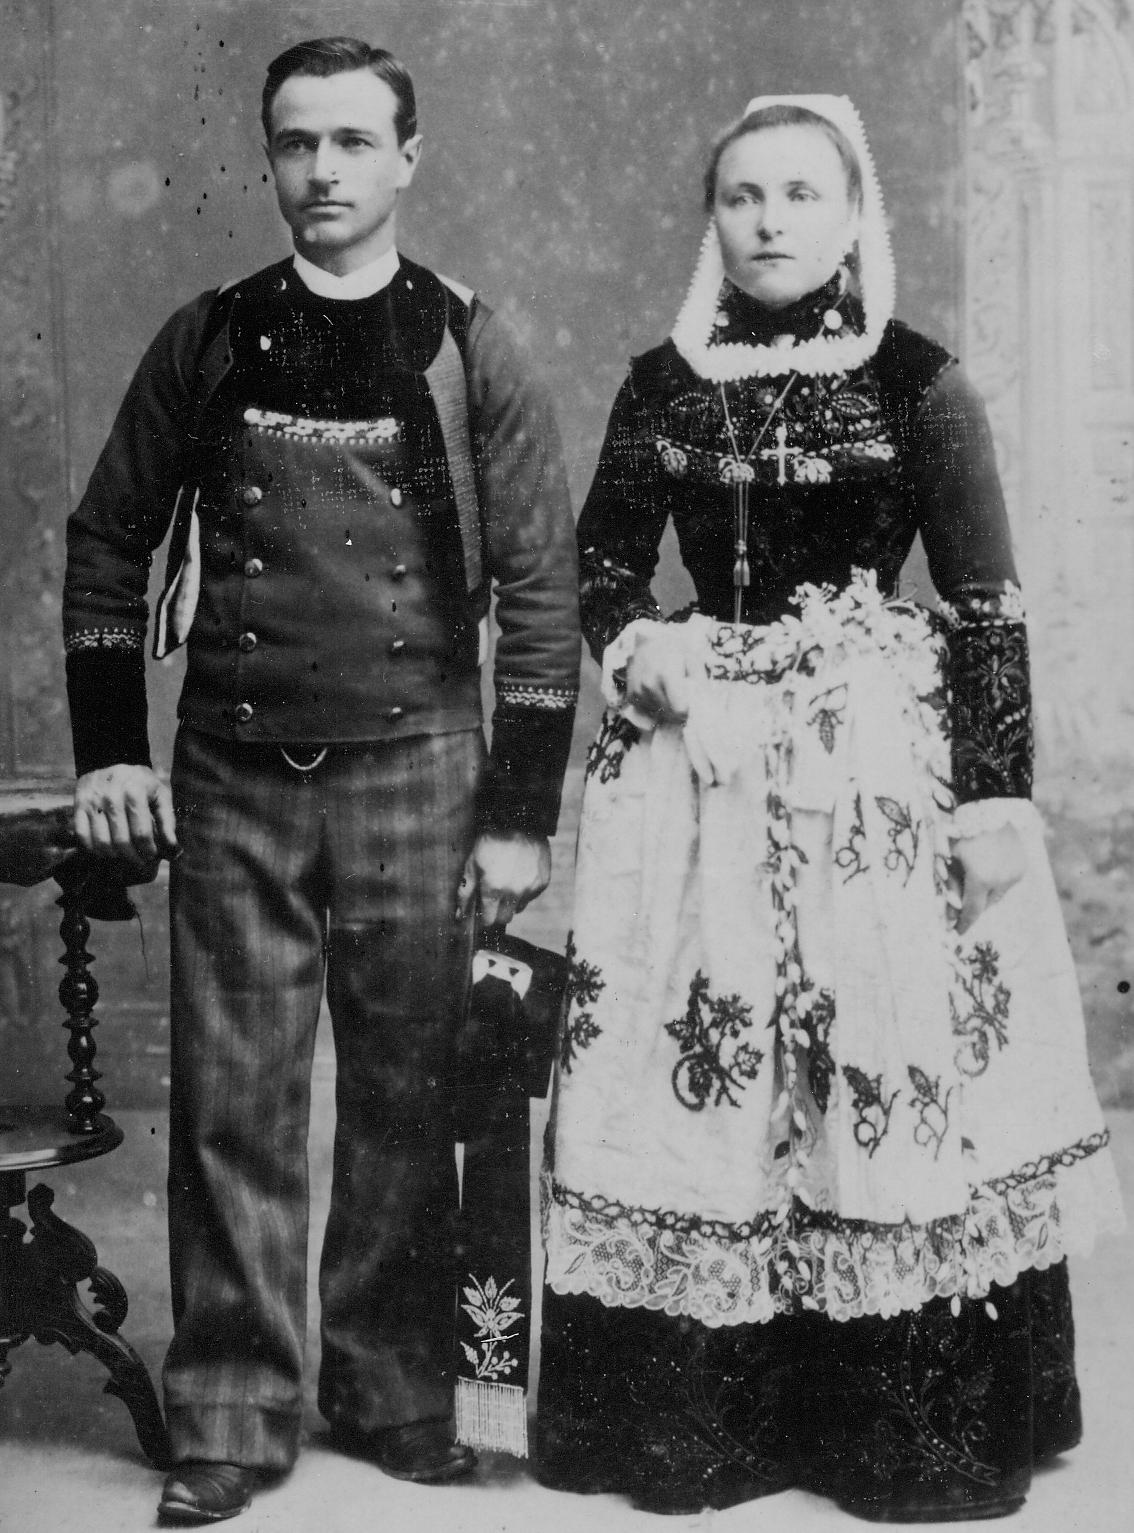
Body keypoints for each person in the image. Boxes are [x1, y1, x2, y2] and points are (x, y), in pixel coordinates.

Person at [536, 94, 1123, 1522]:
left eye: (801, 194)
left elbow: (985, 601)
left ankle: (889, 1429)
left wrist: (995, 798)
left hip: (871, 767)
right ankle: (714, 1420)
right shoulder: (662, 385)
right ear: (712, 218)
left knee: (877, 1050)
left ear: (854, 214)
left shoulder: (918, 381)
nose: (770, 221)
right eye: (743, 196)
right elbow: (599, 565)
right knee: (712, 1054)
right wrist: (640, 643)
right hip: (700, 766)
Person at [62, 37, 579, 1525]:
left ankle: (397, 1387)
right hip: (233, 771)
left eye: (354, 142)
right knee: (231, 1098)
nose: (323, 171)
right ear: (269, 158)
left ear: (409, 157)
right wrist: (111, 747)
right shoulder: (211, 336)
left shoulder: (469, 344)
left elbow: (542, 592)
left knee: (408, 1090)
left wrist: (518, 817)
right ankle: (231, 1406)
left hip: (422, 767)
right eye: (297, 143)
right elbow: (109, 542)